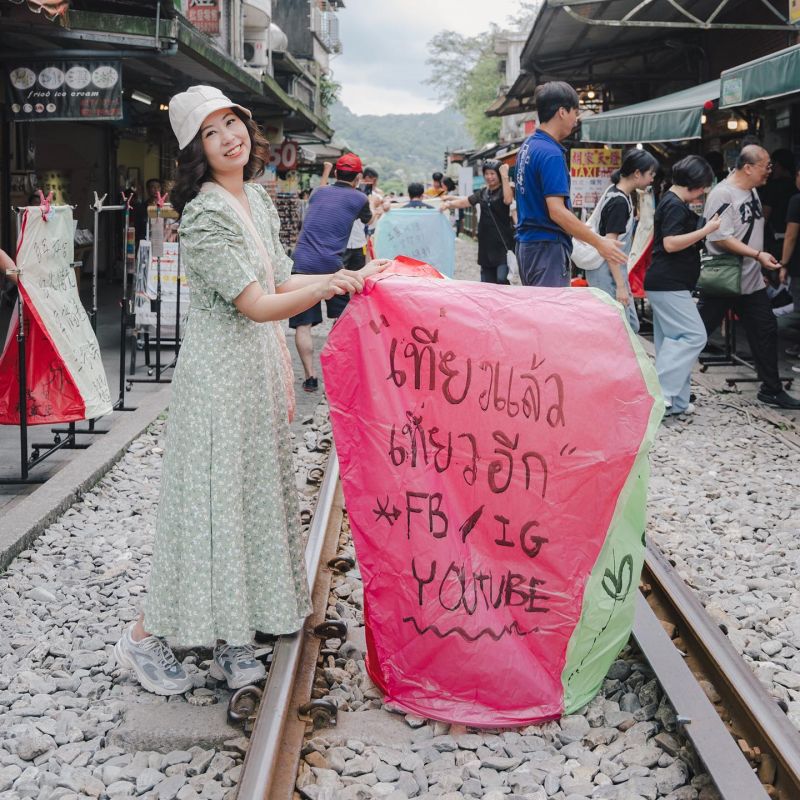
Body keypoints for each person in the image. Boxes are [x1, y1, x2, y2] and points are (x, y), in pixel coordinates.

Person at [113, 85, 388, 696]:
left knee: (250, 499)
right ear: (196, 152)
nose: (229, 136)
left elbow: (280, 275)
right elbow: (259, 303)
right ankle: (142, 637)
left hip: (256, 375)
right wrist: (328, 288)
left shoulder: (257, 199)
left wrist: (351, 276)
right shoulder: (205, 214)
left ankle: (239, 637)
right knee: (213, 507)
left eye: (232, 122)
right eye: (212, 133)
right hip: (218, 382)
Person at [699, 143, 800, 409]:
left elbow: (753, 231)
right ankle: (669, 384)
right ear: (748, 167)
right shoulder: (722, 194)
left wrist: (759, 262)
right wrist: (757, 255)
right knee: (697, 333)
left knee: (765, 331)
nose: (769, 171)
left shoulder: (753, 191)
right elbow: (720, 238)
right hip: (724, 277)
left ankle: (771, 389)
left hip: (751, 279)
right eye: (765, 166)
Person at [514, 81, 626, 287]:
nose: (576, 119)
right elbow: (556, 211)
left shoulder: (528, 146)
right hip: (547, 248)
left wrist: (580, 231)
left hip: (528, 246)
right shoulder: (551, 153)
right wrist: (599, 243)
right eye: (576, 112)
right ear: (562, 112)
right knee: (551, 316)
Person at [289, 153, 376, 393]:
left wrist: (327, 171)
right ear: (358, 177)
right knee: (341, 319)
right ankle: (339, 371)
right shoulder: (359, 198)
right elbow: (369, 220)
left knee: (303, 325)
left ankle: (310, 377)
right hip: (331, 265)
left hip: (302, 262)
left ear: (337, 173)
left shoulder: (317, 193)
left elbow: (322, 188)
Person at [644, 156, 720, 416]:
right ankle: (660, 396)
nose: (704, 192)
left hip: (666, 282)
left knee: (672, 341)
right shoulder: (675, 205)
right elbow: (670, 243)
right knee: (693, 336)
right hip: (669, 282)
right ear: (696, 184)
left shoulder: (669, 200)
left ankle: (676, 402)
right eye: (704, 186)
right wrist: (706, 229)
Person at [585, 149, 659, 332]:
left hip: (605, 271)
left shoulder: (614, 192)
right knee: (621, 328)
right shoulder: (619, 202)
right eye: (650, 174)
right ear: (637, 174)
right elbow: (610, 249)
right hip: (608, 273)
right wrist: (620, 286)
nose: (651, 180)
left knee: (623, 326)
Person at [441, 160, 514, 284]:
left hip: (503, 243)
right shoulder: (482, 193)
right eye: (486, 173)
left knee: (502, 279)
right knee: (487, 282)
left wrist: (505, 176)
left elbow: (508, 200)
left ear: (498, 175)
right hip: (486, 243)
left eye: (492, 174)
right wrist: (449, 204)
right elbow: (466, 202)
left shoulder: (506, 190)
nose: (489, 177)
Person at [762, 149, 797, 258]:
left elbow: (764, 217)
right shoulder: (795, 186)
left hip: (776, 240)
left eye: (772, 165)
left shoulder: (773, 187)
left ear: (778, 165)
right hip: (794, 239)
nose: (770, 170)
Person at [133, 178, 162, 244]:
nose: (156, 189)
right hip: (145, 240)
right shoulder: (141, 208)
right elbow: (138, 227)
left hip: (161, 240)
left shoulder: (166, 206)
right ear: (148, 189)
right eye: (153, 187)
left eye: (158, 187)